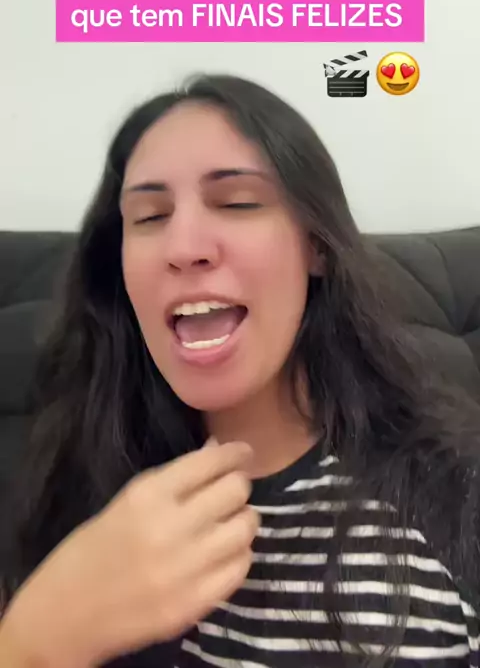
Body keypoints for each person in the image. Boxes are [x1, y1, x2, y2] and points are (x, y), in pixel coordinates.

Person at [0, 73, 479, 668]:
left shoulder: (454, 495)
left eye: (237, 203)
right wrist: (39, 637)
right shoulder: (68, 481)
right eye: (149, 216)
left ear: (316, 246)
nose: (183, 247)